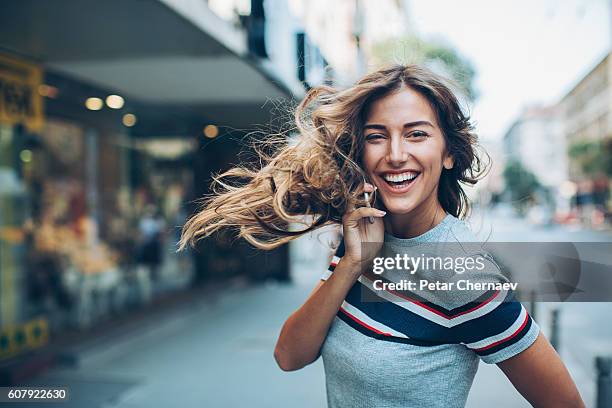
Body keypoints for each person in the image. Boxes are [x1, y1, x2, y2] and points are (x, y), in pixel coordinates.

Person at [178, 65, 584, 407]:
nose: (394, 153)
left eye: (416, 134)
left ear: (448, 154)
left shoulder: (463, 272)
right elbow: (289, 355)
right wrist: (353, 261)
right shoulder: (366, 232)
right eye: (377, 136)